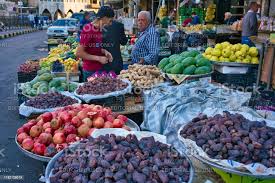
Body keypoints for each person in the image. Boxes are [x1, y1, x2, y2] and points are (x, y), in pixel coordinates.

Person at [76, 6, 114, 81]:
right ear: (104, 18)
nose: (110, 24)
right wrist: (99, 58)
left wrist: (104, 51)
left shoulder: (99, 29)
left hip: (98, 69)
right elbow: (79, 53)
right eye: (110, 21)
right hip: (90, 71)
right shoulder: (88, 30)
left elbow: (93, 47)